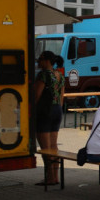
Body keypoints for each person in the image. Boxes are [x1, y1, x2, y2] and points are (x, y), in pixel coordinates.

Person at [34, 50, 65, 187]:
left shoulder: (43, 75)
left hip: (45, 111)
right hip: (57, 109)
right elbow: (61, 97)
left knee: (45, 147)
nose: (38, 62)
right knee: (53, 146)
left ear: (47, 60)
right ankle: (55, 176)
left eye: (40, 59)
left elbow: (36, 96)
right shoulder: (60, 75)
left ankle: (50, 177)